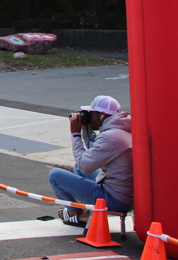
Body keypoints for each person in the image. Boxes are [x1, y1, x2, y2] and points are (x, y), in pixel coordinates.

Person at [48, 95, 133, 226]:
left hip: (115, 199)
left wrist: (75, 134)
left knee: (55, 175)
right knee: (77, 168)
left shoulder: (110, 137)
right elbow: (92, 156)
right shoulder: (121, 130)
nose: (88, 116)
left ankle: (74, 214)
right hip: (125, 193)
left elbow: (85, 165)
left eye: (91, 113)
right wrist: (85, 129)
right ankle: (84, 212)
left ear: (101, 115)